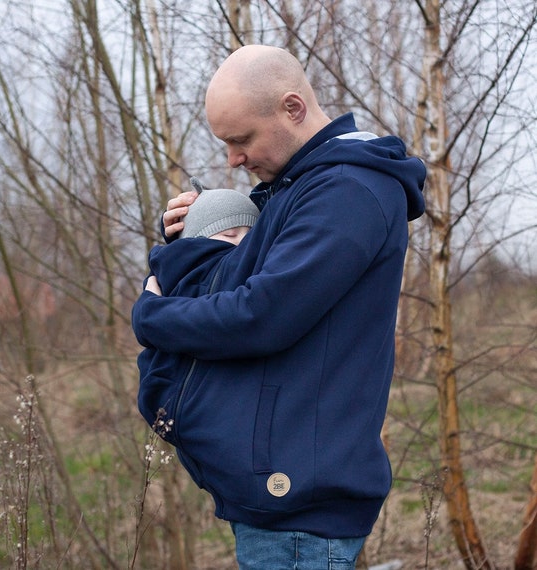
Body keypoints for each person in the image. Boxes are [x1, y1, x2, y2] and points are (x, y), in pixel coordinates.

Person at [132, 44, 426, 569]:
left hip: (298, 503)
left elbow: (259, 315)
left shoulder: (349, 190)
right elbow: (238, 275)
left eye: (241, 139)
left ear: (292, 108)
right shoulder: (300, 188)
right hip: (284, 493)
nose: (233, 159)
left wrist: (152, 317)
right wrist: (193, 232)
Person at [137, 180, 259, 430]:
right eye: (230, 235)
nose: (242, 245)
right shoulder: (193, 272)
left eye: (251, 237)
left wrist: (148, 314)